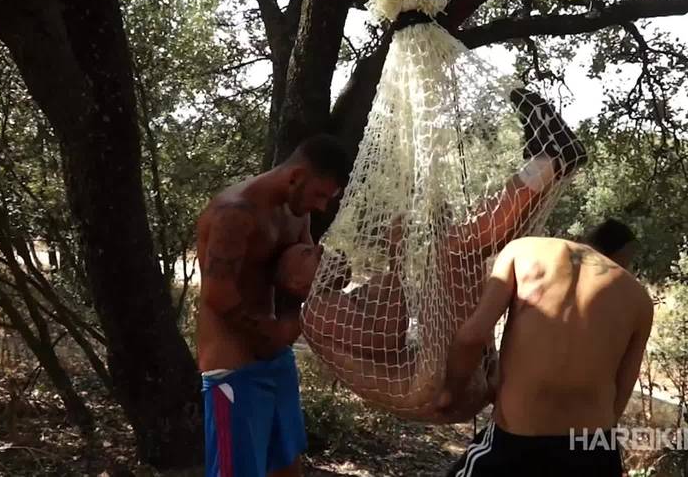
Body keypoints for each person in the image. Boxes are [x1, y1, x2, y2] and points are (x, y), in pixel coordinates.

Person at [279, 90, 590, 421]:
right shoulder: (314, 312)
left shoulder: (335, 302)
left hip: (441, 377)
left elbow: (395, 310)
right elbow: (387, 336)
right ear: (296, 282)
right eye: (306, 254)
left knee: (465, 253)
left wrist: (410, 245)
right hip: (433, 388)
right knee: (454, 251)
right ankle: (549, 161)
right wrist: (397, 258)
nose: (320, 248)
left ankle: (551, 166)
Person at [436, 221, 653, 476]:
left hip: (517, 442)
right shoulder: (639, 299)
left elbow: (472, 337)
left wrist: (450, 394)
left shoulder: (523, 251)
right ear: (623, 254)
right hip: (592, 449)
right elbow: (621, 391)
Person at [196, 134, 348, 477]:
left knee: (287, 466)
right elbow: (218, 294)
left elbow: (308, 277)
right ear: (296, 177)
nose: (321, 207)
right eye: (320, 195)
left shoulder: (297, 214)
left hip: (277, 362)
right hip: (233, 372)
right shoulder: (234, 213)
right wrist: (276, 334)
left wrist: (332, 271)